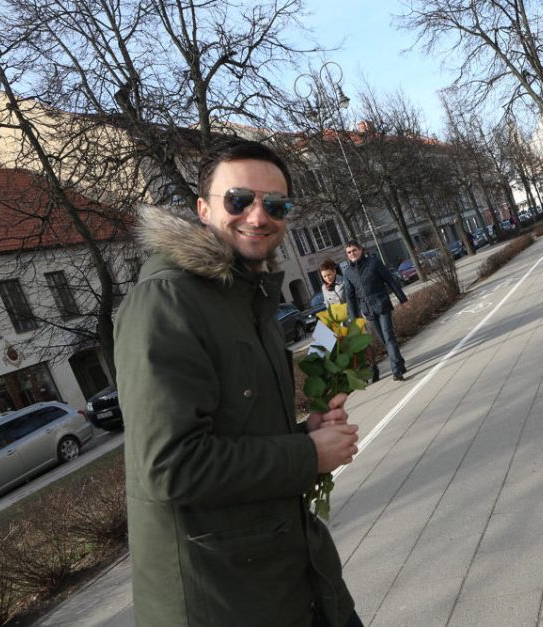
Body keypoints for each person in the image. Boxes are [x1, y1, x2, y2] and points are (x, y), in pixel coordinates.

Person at [114, 138, 362, 627]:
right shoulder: (166, 303)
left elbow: (235, 436)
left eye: (276, 204)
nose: (258, 215)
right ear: (203, 209)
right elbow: (171, 466)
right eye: (238, 199)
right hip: (222, 600)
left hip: (287, 579)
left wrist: (303, 436)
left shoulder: (246, 297)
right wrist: (308, 456)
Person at [344, 240, 409, 381]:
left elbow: (390, 280)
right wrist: (354, 318)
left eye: (354, 250)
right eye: (349, 252)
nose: (352, 254)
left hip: (382, 304)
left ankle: (396, 370)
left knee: (389, 336)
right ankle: (400, 362)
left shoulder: (373, 263)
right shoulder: (348, 273)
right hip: (368, 311)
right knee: (384, 340)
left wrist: (402, 299)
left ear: (360, 250)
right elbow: (350, 297)